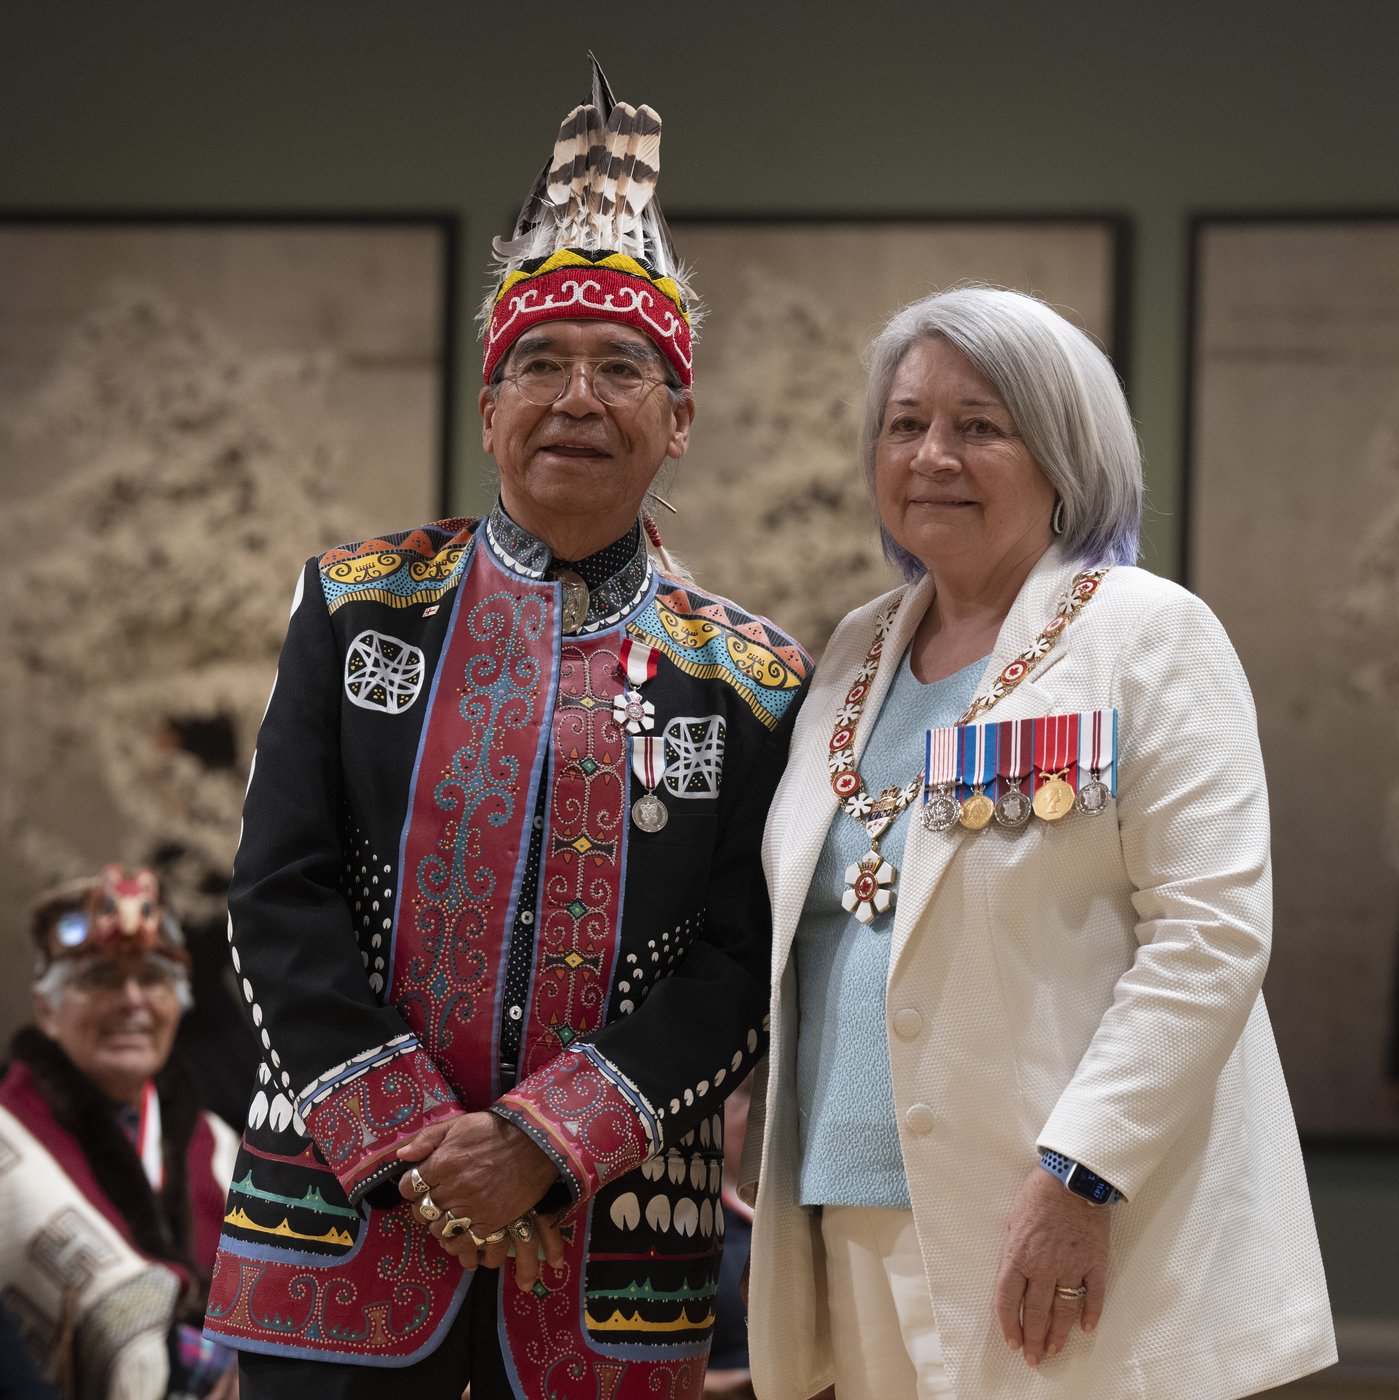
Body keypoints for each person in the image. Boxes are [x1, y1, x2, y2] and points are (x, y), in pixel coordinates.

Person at [202, 59, 809, 1400]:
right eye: (537, 363)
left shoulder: (754, 677)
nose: (575, 395)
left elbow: (739, 956)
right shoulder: (361, 608)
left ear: (679, 419)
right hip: (344, 1213)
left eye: (619, 369)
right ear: (488, 409)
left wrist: (546, 1135)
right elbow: (275, 895)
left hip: (610, 1238)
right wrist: (419, 1137)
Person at [740, 286, 1337, 1400]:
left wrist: (1082, 1173)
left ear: (1063, 453)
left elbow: (1207, 934)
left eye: (979, 425)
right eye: (905, 423)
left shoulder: (1145, 633)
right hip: (853, 1206)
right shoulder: (856, 650)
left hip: (1057, 1216)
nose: (932, 456)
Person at [0, 866, 240, 1398]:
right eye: (100, 978)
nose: (132, 1001)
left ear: (179, 1002)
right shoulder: (7, 1141)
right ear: (47, 1008)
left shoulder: (220, 1146)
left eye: (154, 978)